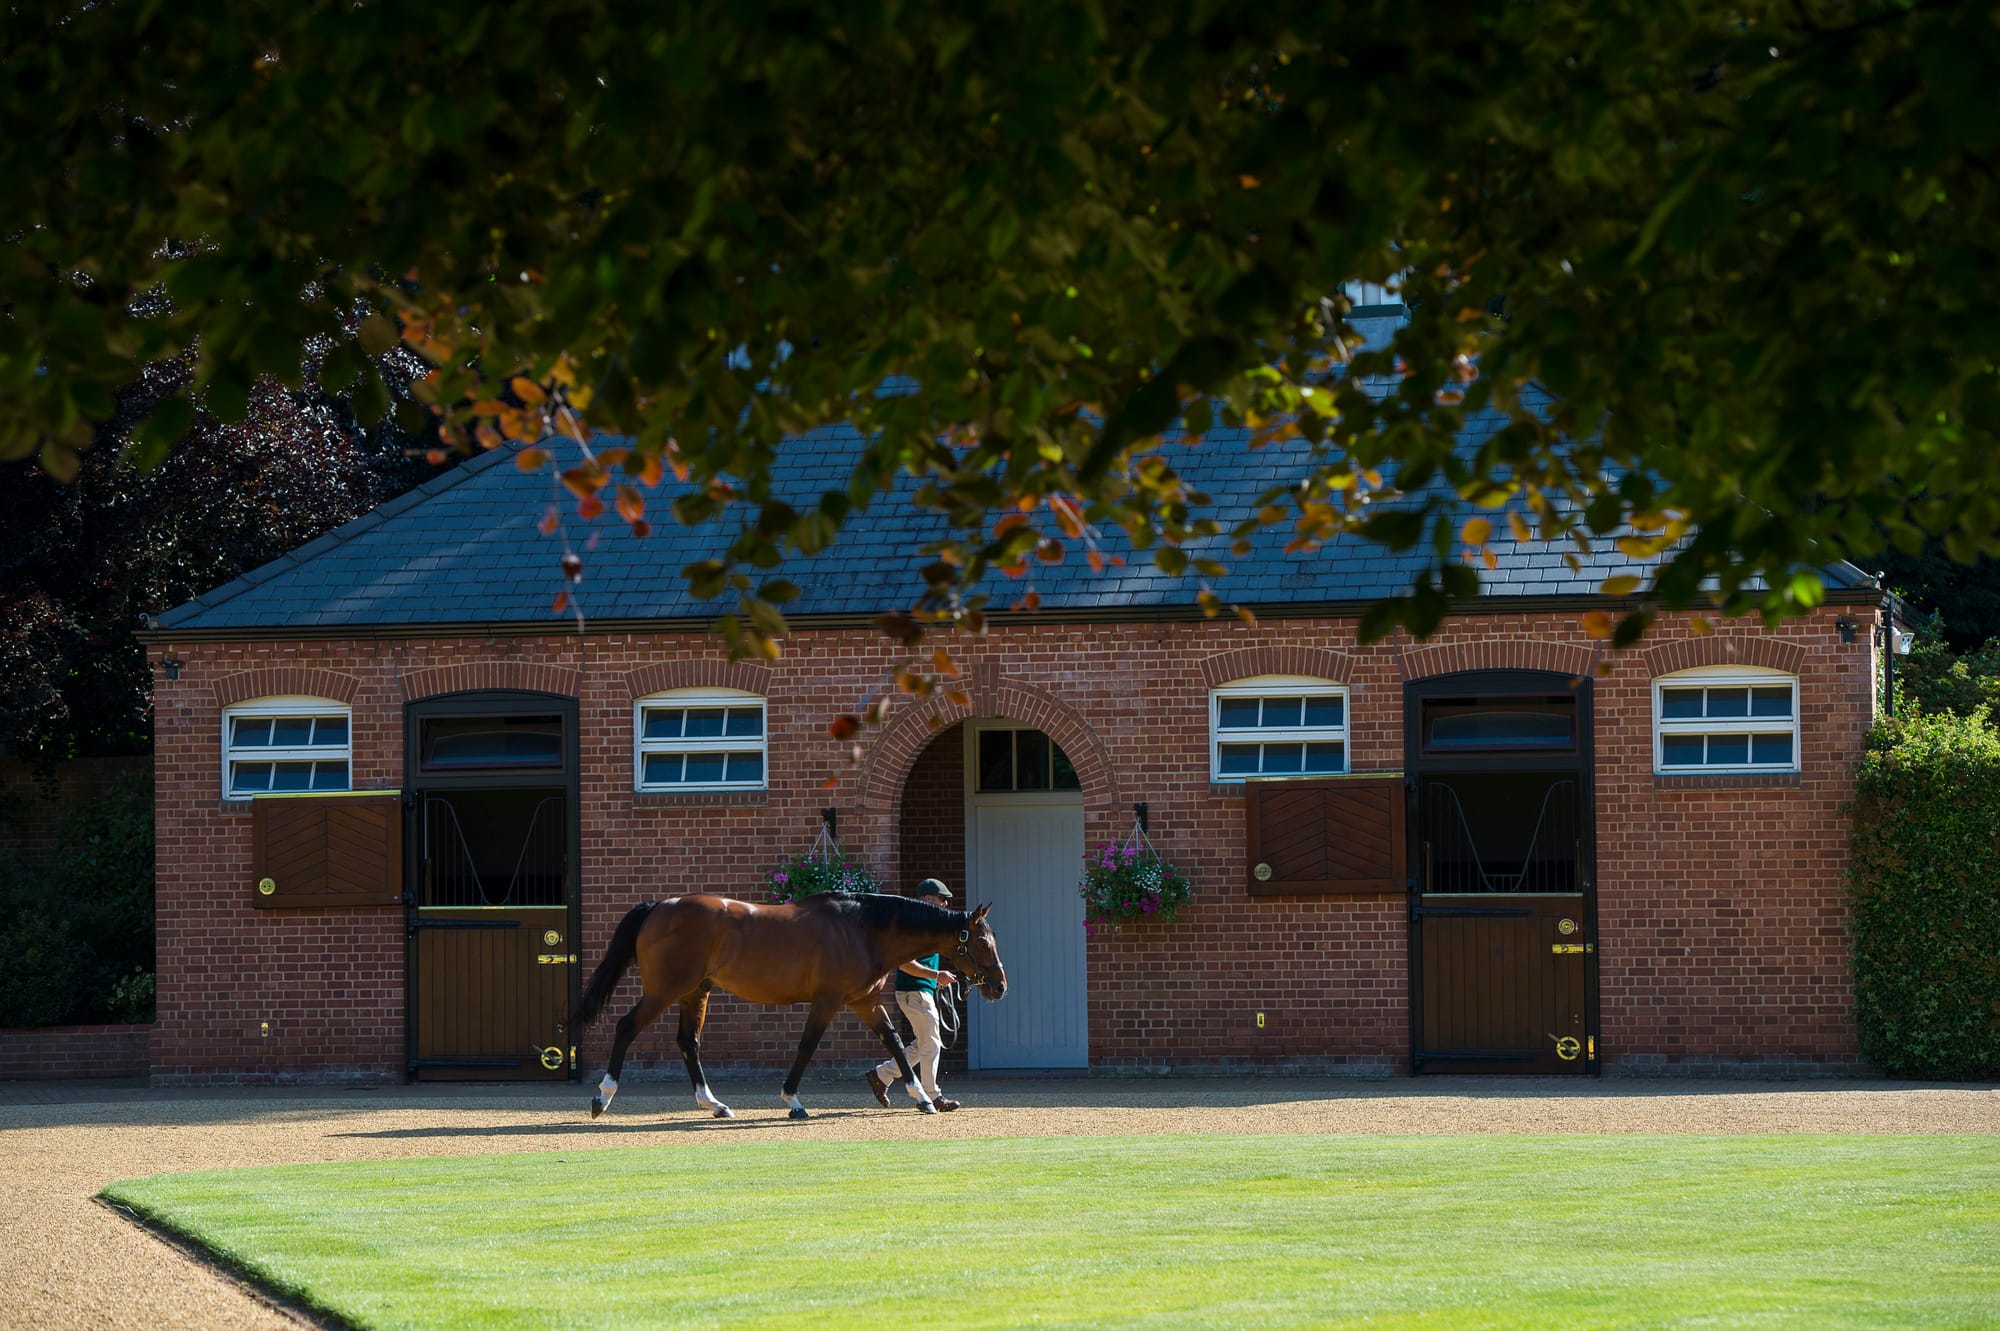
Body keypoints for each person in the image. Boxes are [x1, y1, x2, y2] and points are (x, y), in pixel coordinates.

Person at [863, 878, 961, 1112]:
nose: (945, 904)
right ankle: (931, 1095)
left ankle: (881, 1075)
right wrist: (936, 975)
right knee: (932, 1043)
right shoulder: (913, 925)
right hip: (913, 991)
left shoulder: (925, 924)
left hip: (919, 990)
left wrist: (934, 979)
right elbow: (904, 962)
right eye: (941, 899)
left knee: (922, 1044)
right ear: (928, 899)